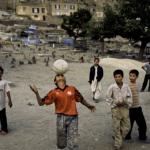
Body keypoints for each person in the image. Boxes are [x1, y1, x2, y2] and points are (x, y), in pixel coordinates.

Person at [29, 74, 96, 150]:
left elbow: (80, 98)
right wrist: (37, 93)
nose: (60, 76)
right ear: (55, 81)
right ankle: (62, 145)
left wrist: (88, 105)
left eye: (62, 75)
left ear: (65, 79)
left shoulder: (72, 89)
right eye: (58, 76)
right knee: (61, 144)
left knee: (73, 141)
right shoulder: (53, 92)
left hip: (73, 117)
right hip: (61, 118)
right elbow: (41, 103)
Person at [106, 70, 132, 150]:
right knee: (116, 127)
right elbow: (108, 98)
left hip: (124, 109)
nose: (118, 78)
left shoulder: (126, 86)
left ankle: (118, 137)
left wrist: (126, 103)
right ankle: (118, 144)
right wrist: (116, 103)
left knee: (127, 127)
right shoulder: (112, 87)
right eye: (116, 77)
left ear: (122, 77)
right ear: (114, 78)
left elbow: (129, 97)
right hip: (116, 109)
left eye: (119, 77)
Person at [125, 69, 150, 143]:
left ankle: (142, 138)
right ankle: (127, 137)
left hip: (137, 108)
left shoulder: (137, 85)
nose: (131, 77)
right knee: (129, 125)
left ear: (137, 77)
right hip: (130, 109)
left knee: (142, 124)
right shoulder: (127, 86)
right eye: (130, 75)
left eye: (133, 76)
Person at [0, 66, 12, 135]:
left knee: (3, 117)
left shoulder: (4, 82)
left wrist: (9, 100)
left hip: (2, 104)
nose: (0, 74)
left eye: (1, 73)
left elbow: (7, 91)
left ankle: (4, 129)